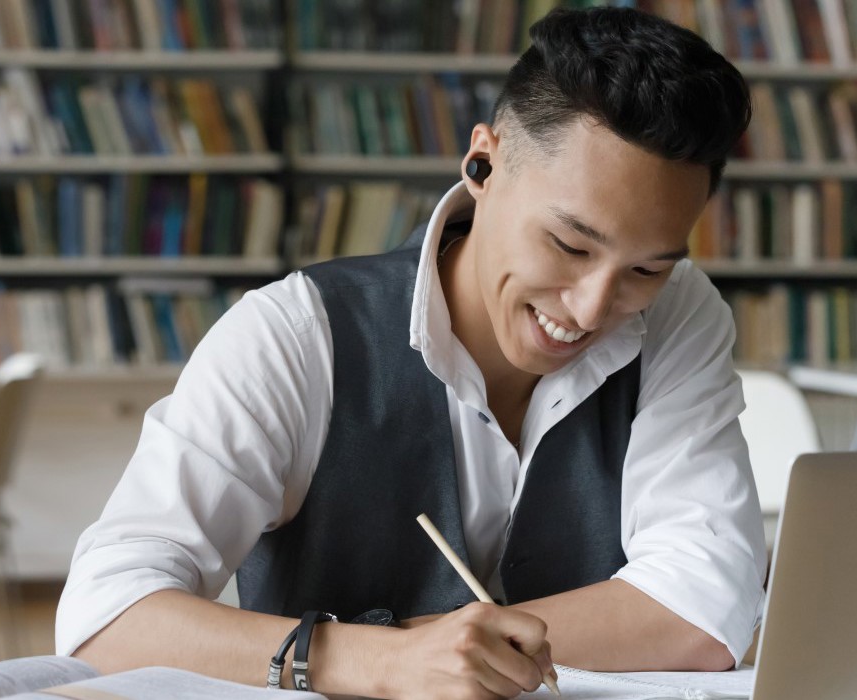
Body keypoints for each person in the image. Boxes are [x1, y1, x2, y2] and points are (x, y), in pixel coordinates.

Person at [57, 7, 767, 699]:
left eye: (645, 268)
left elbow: (705, 608)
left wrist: (450, 650)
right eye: (569, 245)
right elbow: (104, 617)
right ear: (482, 164)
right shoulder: (298, 335)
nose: (590, 308)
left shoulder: (678, 312)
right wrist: (377, 661)